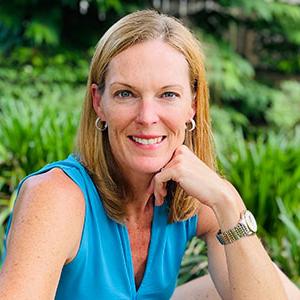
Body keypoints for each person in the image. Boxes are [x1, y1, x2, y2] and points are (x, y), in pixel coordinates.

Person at [0, 9, 299, 300]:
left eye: (168, 94)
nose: (147, 116)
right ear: (98, 103)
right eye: (126, 94)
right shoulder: (55, 197)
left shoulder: (191, 194)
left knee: (272, 284)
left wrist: (227, 201)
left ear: (192, 105)